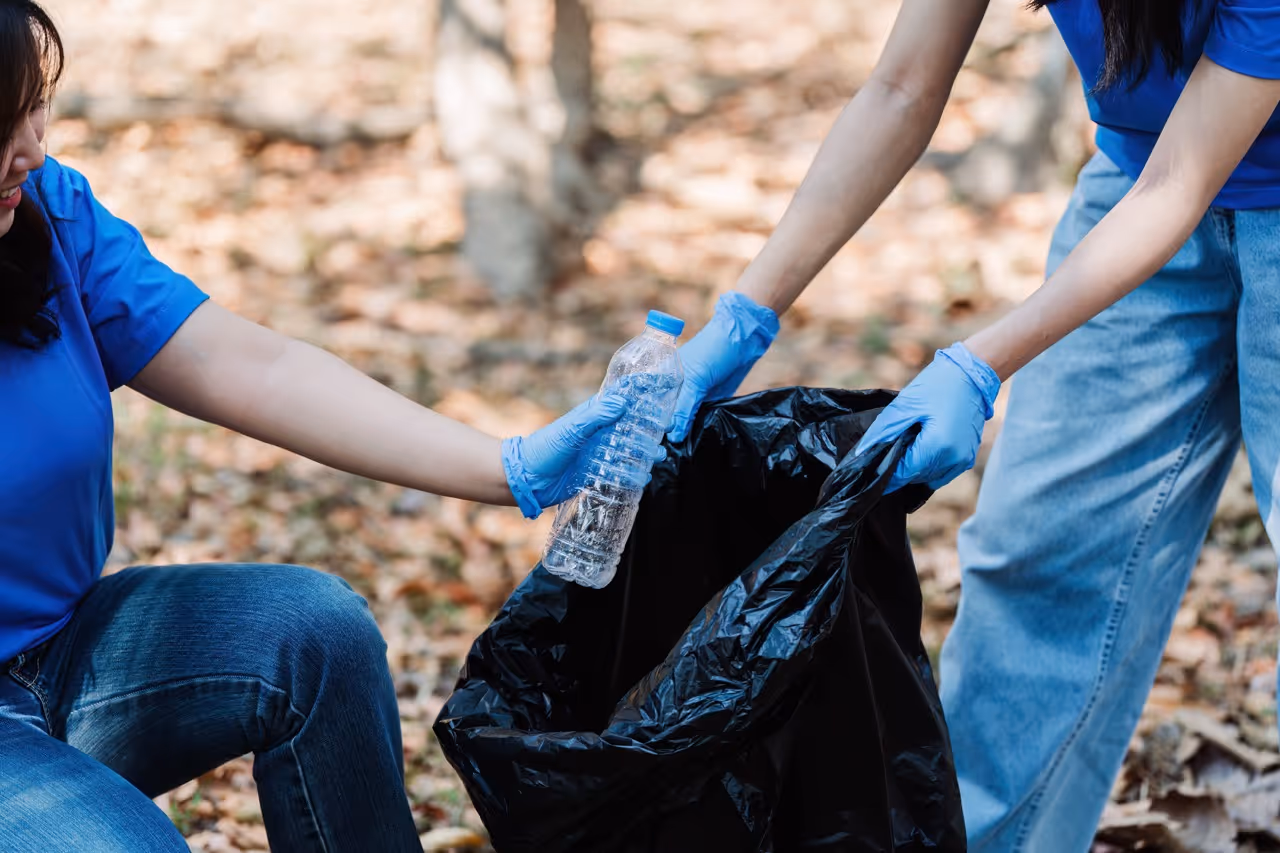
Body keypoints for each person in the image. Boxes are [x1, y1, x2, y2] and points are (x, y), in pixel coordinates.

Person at [0, 2, 662, 850]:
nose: (34, 145)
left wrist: (511, 465)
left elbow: (248, 365)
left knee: (315, 633)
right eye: (1, 119)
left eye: (34, 104)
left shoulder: (46, 217)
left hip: (65, 655)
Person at [672, 0, 1280, 849]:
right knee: (1037, 558)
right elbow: (900, 86)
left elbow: (1184, 183)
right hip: (1136, 181)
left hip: (1181, 183)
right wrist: (742, 317)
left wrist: (979, 361)